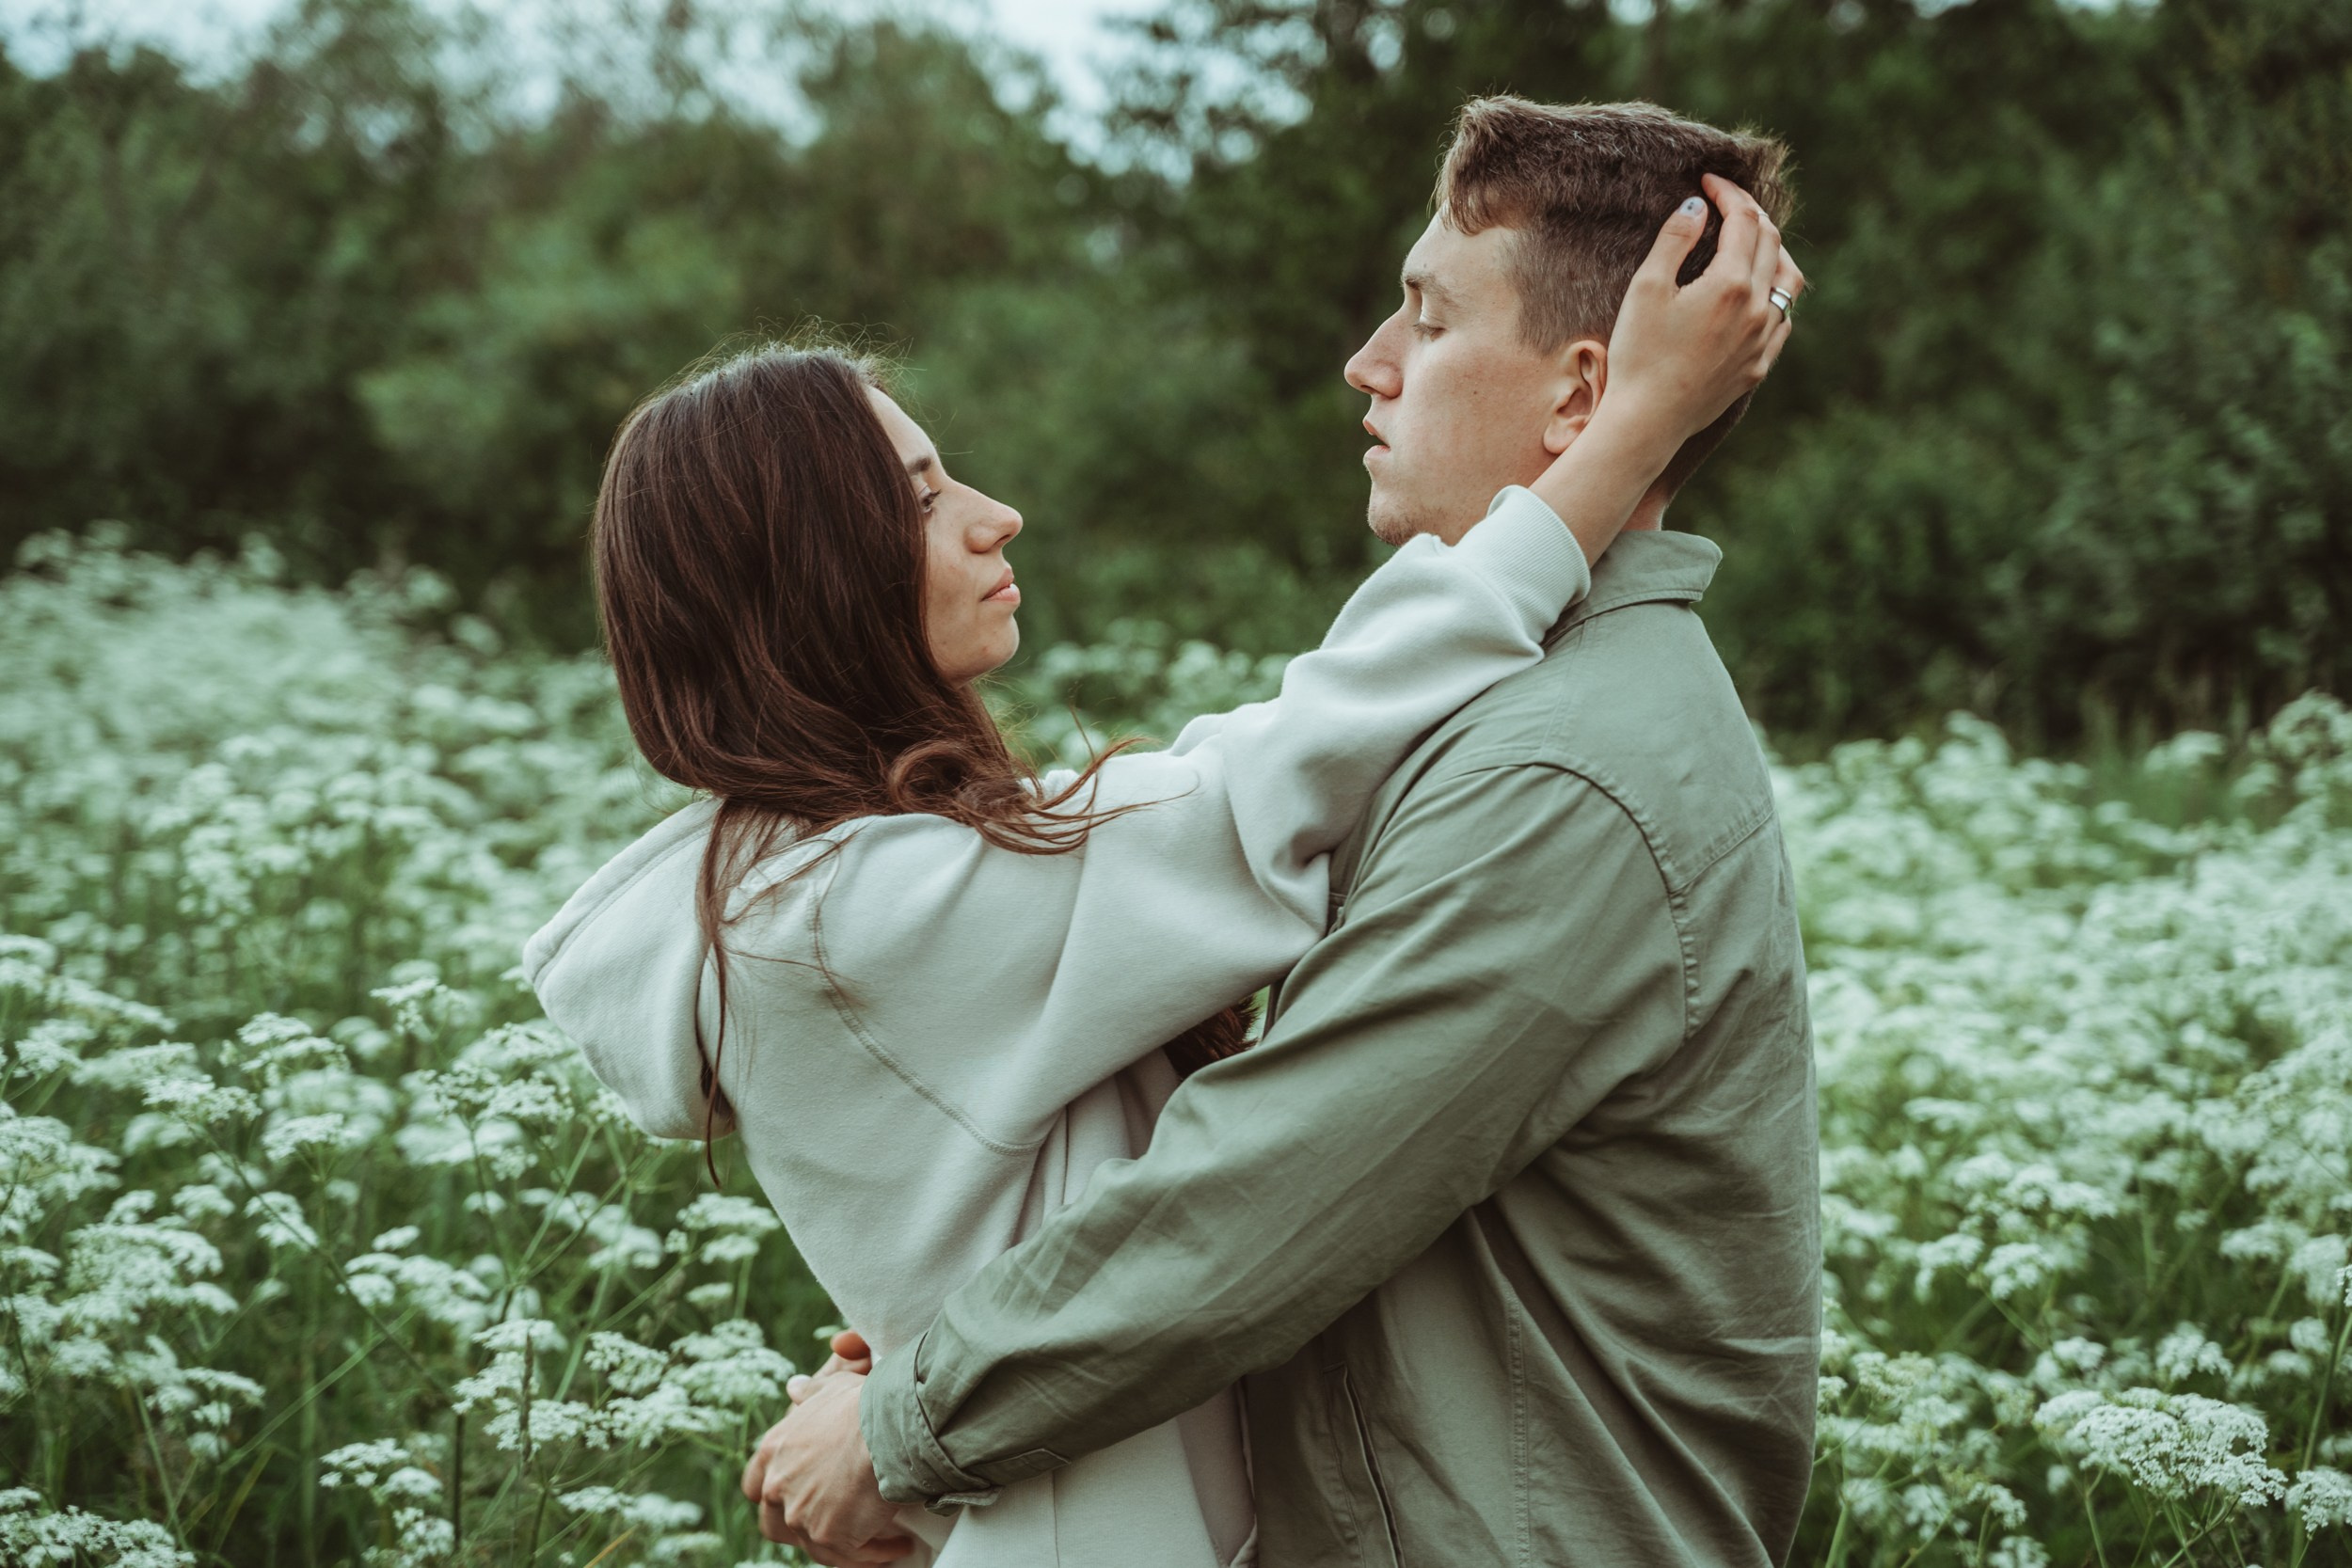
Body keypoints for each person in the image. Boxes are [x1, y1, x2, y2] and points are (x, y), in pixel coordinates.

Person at [742, 98, 1822, 1568]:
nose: (1367, 363)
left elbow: (1256, 1207)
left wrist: (905, 1427)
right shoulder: (1511, 705)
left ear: (1585, 396)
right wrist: (923, 1333)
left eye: (1428, 320)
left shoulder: (1562, 774)